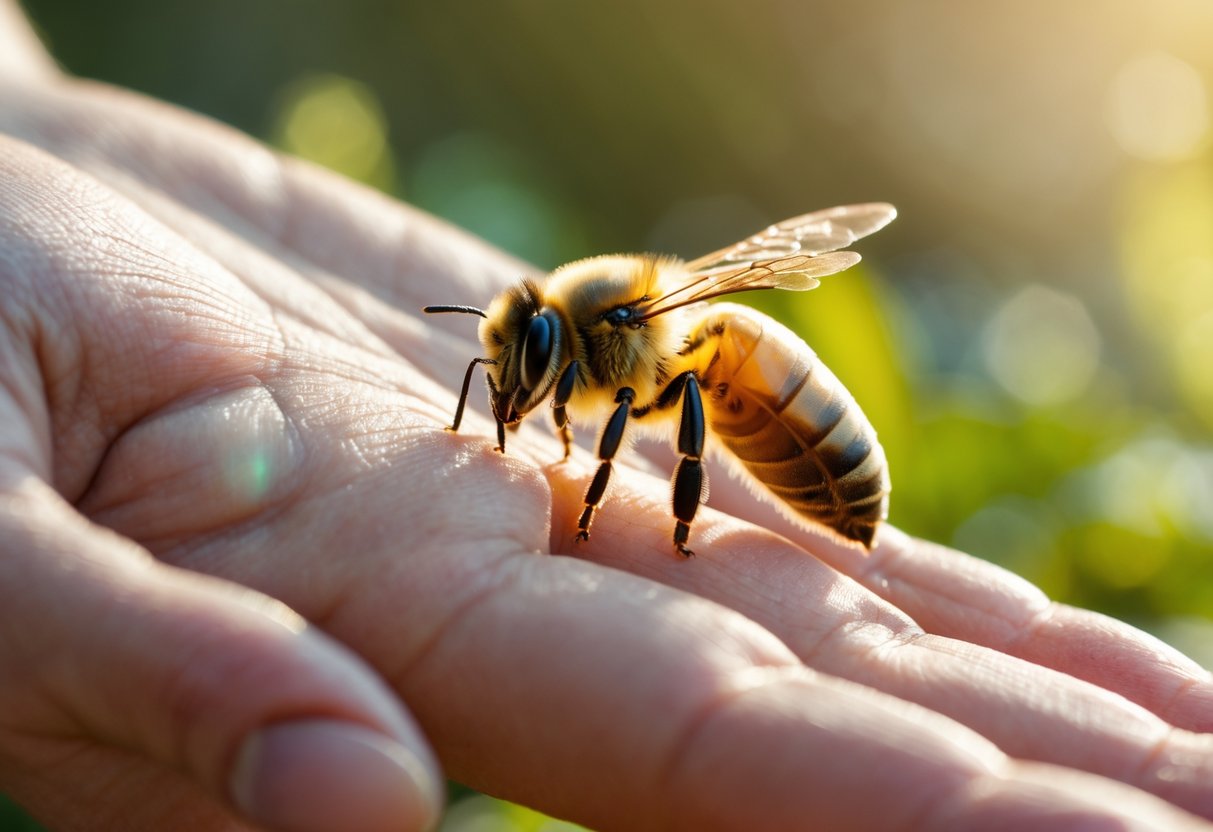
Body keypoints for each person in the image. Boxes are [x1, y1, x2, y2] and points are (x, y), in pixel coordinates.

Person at [2, 4, 1212, 830]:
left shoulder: (638, 333)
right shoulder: (567, 336)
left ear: (571, 342)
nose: (518, 392)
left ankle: (694, 520)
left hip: (777, 403)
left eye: (527, 370)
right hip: (734, 389)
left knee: (700, 386)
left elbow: (665, 387)